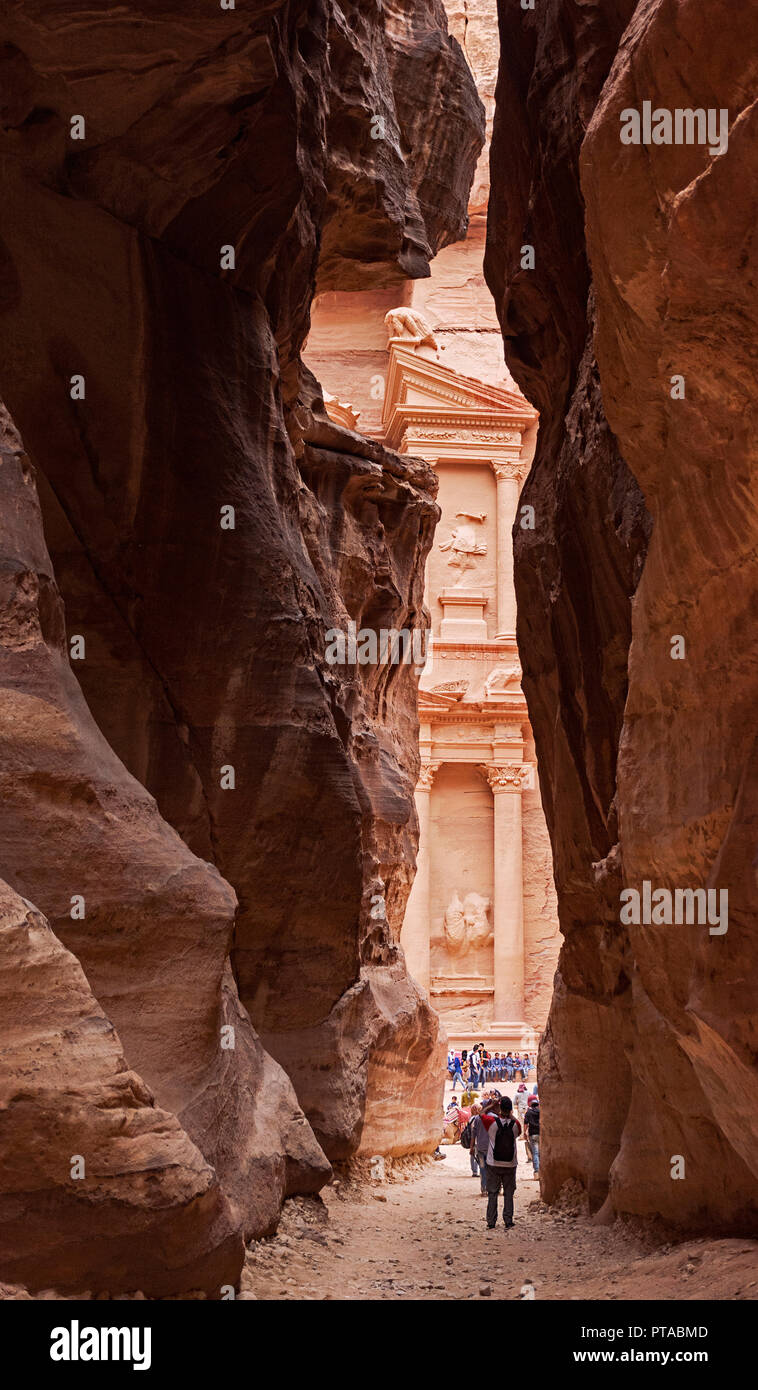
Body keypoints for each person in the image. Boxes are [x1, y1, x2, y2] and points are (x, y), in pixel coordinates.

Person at [480, 1095, 521, 1228]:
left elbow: (481, 1114)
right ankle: (508, 1220)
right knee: (509, 1193)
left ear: (499, 1108)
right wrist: (510, 1114)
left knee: (492, 1192)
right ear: (510, 1110)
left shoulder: (491, 1122)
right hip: (510, 1164)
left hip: (493, 1164)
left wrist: (492, 1106)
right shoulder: (515, 1125)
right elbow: (518, 1127)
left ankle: (491, 1222)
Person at [525, 1095, 540, 1174]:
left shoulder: (528, 1112)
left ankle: (537, 1171)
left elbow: (526, 1123)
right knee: (540, 1152)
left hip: (532, 1134)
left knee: (535, 1152)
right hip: (540, 1133)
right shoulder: (540, 1112)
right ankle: (541, 1169)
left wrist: (525, 1132)